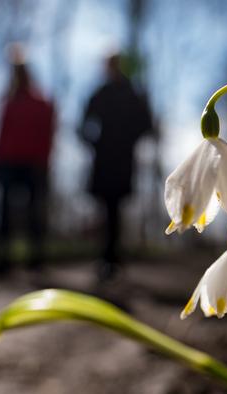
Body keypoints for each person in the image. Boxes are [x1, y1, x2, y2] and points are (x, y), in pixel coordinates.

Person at [80, 54, 152, 281]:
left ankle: (112, 258)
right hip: (104, 159)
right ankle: (107, 258)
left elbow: (146, 125)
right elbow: (82, 124)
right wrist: (94, 144)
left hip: (122, 159)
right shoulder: (101, 93)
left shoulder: (134, 94)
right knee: (106, 208)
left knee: (115, 208)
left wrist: (129, 140)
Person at [0, 53, 56, 275]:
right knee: (4, 213)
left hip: (33, 163)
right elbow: (1, 133)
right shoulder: (8, 101)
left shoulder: (40, 102)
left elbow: (49, 133)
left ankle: (35, 260)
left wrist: (46, 161)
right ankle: (2, 260)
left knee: (34, 213)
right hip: (8, 162)